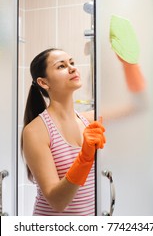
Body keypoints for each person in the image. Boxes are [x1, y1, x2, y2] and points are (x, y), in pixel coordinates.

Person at [21, 48, 106, 216]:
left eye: (72, 63)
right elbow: (57, 202)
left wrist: (127, 62)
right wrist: (85, 158)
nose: (73, 68)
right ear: (44, 83)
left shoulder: (88, 120)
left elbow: (136, 107)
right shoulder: (36, 131)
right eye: (61, 66)